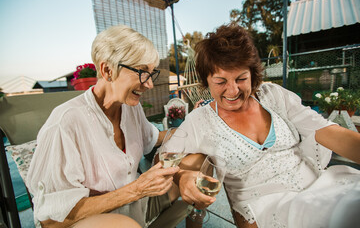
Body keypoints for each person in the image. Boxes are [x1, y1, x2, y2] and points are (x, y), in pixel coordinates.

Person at [174, 23, 360, 228]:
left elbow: (328, 131)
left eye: (241, 78)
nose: (233, 90)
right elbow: (163, 157)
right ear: (206, 81)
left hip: (320, 188)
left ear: (252, 74)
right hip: (266, 209)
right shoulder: (200, 120)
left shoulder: (273, 96)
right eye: (220, 81)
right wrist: (183, 176)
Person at [27, 25, 187, 228]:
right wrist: (137, 190)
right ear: (107, 70)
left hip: (136, 205)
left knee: (190, 171)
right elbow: (50, 220)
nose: (149, 85)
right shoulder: (65, 123)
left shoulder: (130, 107)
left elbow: (152, 138)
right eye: (141, 72)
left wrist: (191, 130)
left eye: (150, 74)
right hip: (90, 219)